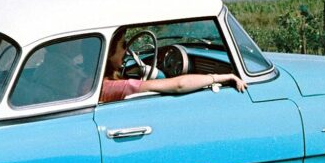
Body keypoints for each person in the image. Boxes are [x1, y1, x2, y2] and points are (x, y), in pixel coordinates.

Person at [100, 31, 247, 103]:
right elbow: (179, 85)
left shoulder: (93, 80)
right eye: (123, 45)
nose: (127, 50)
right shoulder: (115, 87)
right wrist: (222, 77)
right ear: (109, 53)